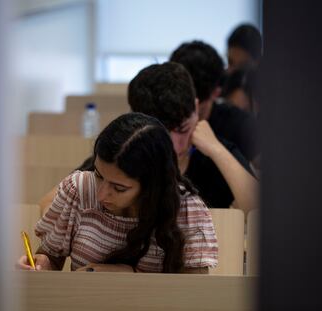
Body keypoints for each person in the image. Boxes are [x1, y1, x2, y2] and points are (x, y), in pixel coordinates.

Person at [40, 62, 257, 214]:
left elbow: (259, 210)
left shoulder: (215, 151)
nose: (172, 145)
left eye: (182, 129)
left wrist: (218, 151)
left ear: (197, 108)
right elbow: (49, 204)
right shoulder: (126, 155)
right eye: (161, 133)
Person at [18, 112, 218, 273]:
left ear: (152, 186)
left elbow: (194, 292)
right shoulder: (78, 189)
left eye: (119, 188)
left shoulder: (186, 209)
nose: (101, 194)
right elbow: (51, 257)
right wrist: (42, 263)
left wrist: (127, 276)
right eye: (98, 174)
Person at [170, 40, 259, 162]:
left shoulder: (241, 126)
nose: (186, 114)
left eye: (195, 105)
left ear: (216, 93)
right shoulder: (160, 119)